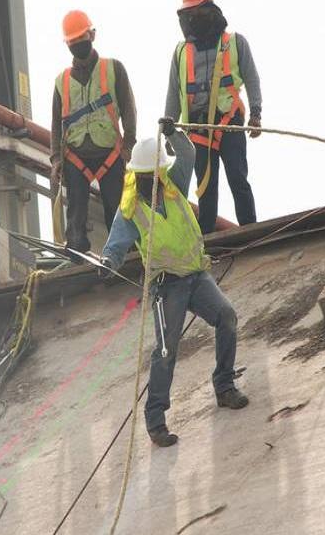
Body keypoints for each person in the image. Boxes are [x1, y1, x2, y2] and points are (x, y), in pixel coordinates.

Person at [100, 117, 248, 447]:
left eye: (153, 175)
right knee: (165, 352)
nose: (150, 180)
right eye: (144, 176)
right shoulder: (130, 209)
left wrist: (172, 132)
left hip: (196, 275)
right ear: (136, 176)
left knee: (226, 316)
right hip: (166, 286)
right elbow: (116, 244)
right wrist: (108, 262)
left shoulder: (174, 185)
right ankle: (156, 422)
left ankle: (224, 386)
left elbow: (189, 154)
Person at [165, 0, 262, 234]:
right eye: (189, 13)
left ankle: (250, 230)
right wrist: (170, 129)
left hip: (228, 122)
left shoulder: (234, 43)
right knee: (206, 187)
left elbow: (251, 78)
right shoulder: (180, 52)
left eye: (197, 10)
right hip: (197, 128)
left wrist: (256, 113)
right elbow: (174, 92)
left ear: (209, 7)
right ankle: (206, 239)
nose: (192, 17)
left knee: (238, 177)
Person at [51, 9, 137, 251]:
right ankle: (77, 256)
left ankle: (123, 257)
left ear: (93, 35)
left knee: (117, 209)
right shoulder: (62, 81)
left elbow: (129, 109)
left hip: (110, 151)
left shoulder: (113, 69)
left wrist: (128, 146)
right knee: (75, 215)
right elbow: (56, 124)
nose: (78, 44)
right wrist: (56, 159)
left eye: (82, 38)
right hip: (75, 155)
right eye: (73, 41)